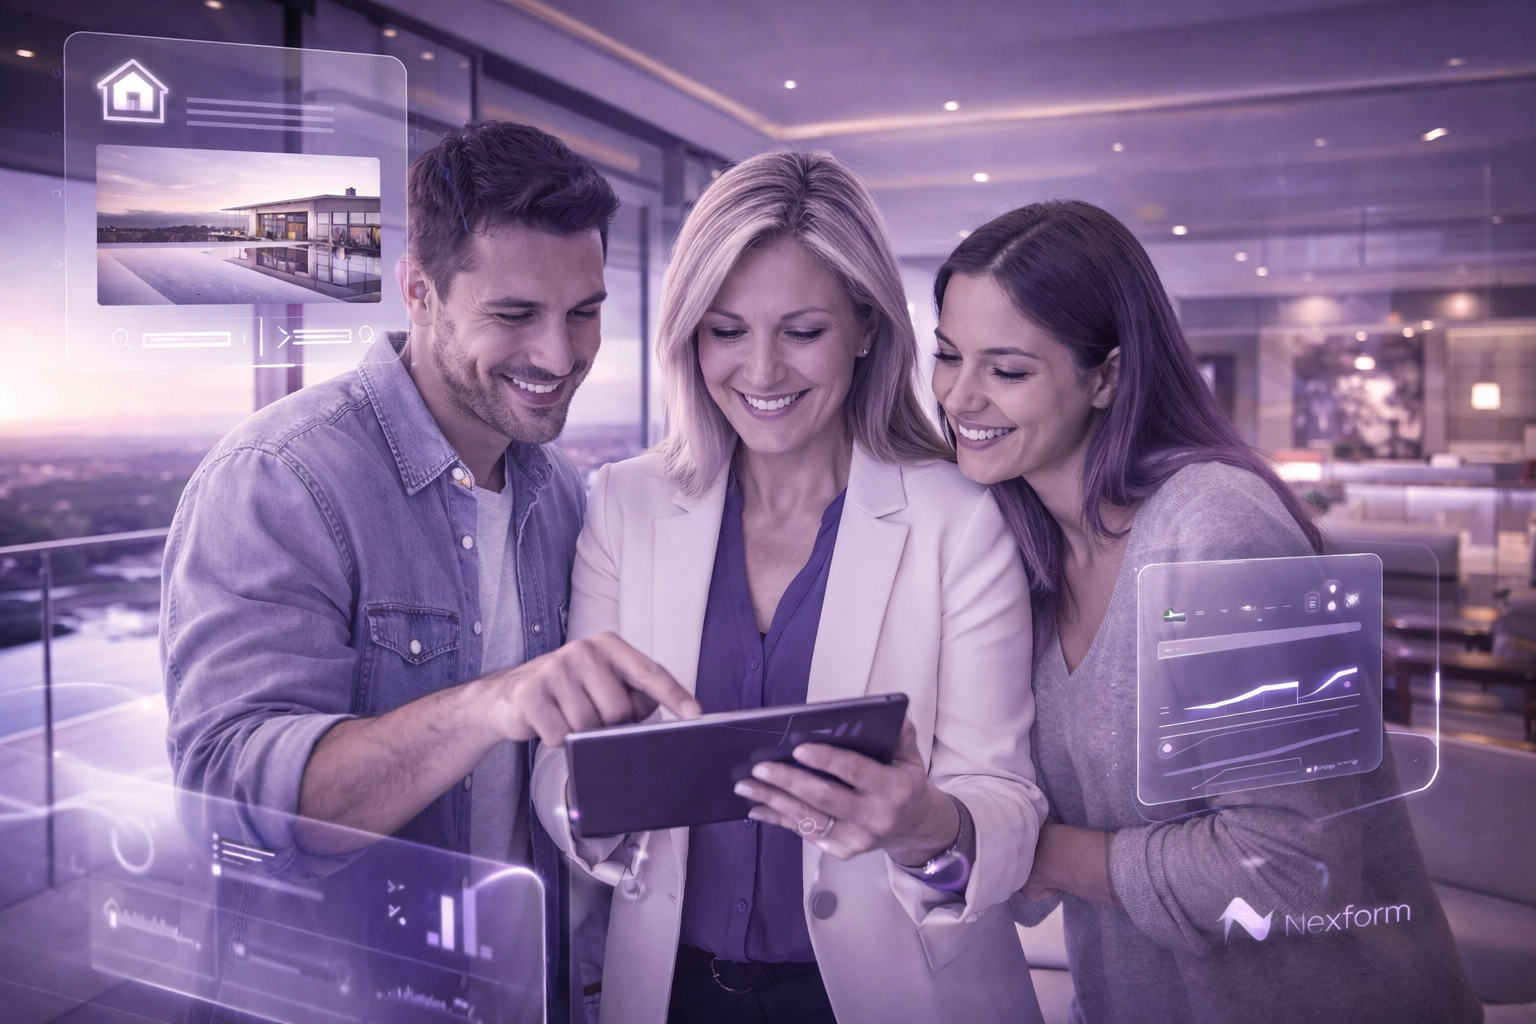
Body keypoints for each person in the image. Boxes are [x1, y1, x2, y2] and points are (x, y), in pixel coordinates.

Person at [161, 121, 700, 1024]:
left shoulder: (561, 497)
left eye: (584, 312)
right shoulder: (282, 479)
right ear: (418, 291)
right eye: (515, 315)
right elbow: (230, 799)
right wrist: (489, 705)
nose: (560, 356)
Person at [929, 199, 1481, 1023]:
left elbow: (1291, 864)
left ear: (1107, 376)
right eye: (946, 355)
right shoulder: (1013, 552)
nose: (959, 396)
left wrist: (1042, 855)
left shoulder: (1217, 528)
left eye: (1007, 371)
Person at [531, 150, 1048, 1024]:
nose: (761, 372)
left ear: (867, 327)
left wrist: (925, 825)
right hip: (673, 993)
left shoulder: (960, 517)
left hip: (902, 994)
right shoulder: (625, 503)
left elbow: (1006, 802)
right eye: (726, 331)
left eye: (802, 332)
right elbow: (563, 768)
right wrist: (595, 793)